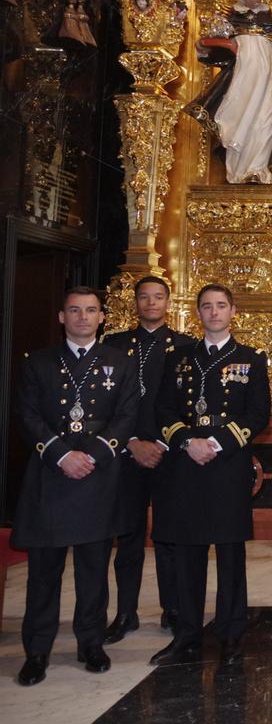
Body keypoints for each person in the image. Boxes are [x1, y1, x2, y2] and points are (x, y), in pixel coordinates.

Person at [13, 287, 137, 686]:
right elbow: (27, 414)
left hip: (98, 476)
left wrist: (94, 456)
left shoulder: (120, 362)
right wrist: (62, 455)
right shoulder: (38, 362)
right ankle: (36, 651)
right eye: (74, 310)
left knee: (93, 570)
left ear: (103, 317)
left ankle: (91, 643)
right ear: (61, 317)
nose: (83, 317)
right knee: (43, 574)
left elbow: (127, 416)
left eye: (90, 310)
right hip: (51, 475)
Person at [151, 284, 270, 666]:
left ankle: (231, 634)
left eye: (221, 305)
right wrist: (188, 442)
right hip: (187, 467)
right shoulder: (179, 357)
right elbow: (164, 409)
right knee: (188, 556)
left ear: (233, 311)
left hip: (227, 467)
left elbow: (257, 414)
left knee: (231, 555)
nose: (214, 312)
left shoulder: (251, 359)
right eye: (207, 306)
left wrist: (216, 444)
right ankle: (187, 634)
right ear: (198, 312)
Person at [102, 276, 196, 644]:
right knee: (128, 537)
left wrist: (159, 442)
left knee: (169, 536)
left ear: (168, 302)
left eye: (158, 297)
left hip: (169, 454)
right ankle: (126, 612)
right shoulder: (114, 345)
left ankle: (172, 608)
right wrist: (131, 443)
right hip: (126, 454)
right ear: (136, 302)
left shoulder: (186, 347)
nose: (151, 303)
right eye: (144, 297)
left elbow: (189, 405)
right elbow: (104, 405)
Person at [184, 0, 272, 184]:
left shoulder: (268, 19)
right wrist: (208, 46)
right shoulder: (231, 19)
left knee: (265, 121)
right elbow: (211, 47)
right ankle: (238, 173)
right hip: (242, 80)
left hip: (268, 81)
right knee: (238, 122)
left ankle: (257, 170)